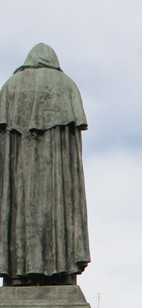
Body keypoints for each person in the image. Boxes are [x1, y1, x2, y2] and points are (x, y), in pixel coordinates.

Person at [0, 44, 90, 285]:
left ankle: (17, 274)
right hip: (56, 177)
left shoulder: (10, 87)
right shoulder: (67, 85)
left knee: (20, 206)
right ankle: (62, 271)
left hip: (21, 175)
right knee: (59, 208)